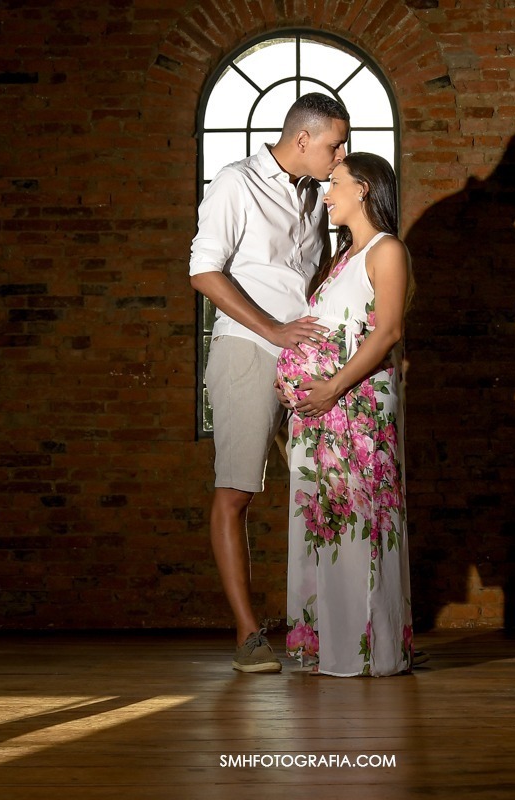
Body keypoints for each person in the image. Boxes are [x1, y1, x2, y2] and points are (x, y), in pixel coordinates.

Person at [189, 93, 349, 673]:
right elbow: (203, 270)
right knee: (237, 491)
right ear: (303, 139)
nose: (341, 155)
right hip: (247, 349)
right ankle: (248, 637)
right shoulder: (237, 182)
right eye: (334, 143)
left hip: (303, 360)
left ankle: (341, 625)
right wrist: (275, 330)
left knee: (326, 489)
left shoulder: (314, 194)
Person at [275, 152, 414, 676]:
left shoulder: (387, 250)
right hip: (323, 414)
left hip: (355, 406)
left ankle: (368, 653)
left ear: (363, 188)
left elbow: (389, 331)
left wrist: (331, 386)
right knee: (325, 527)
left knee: (360, 525)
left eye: (334, 183)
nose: (326, 194)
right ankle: (327, 647)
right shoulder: (340, 259)